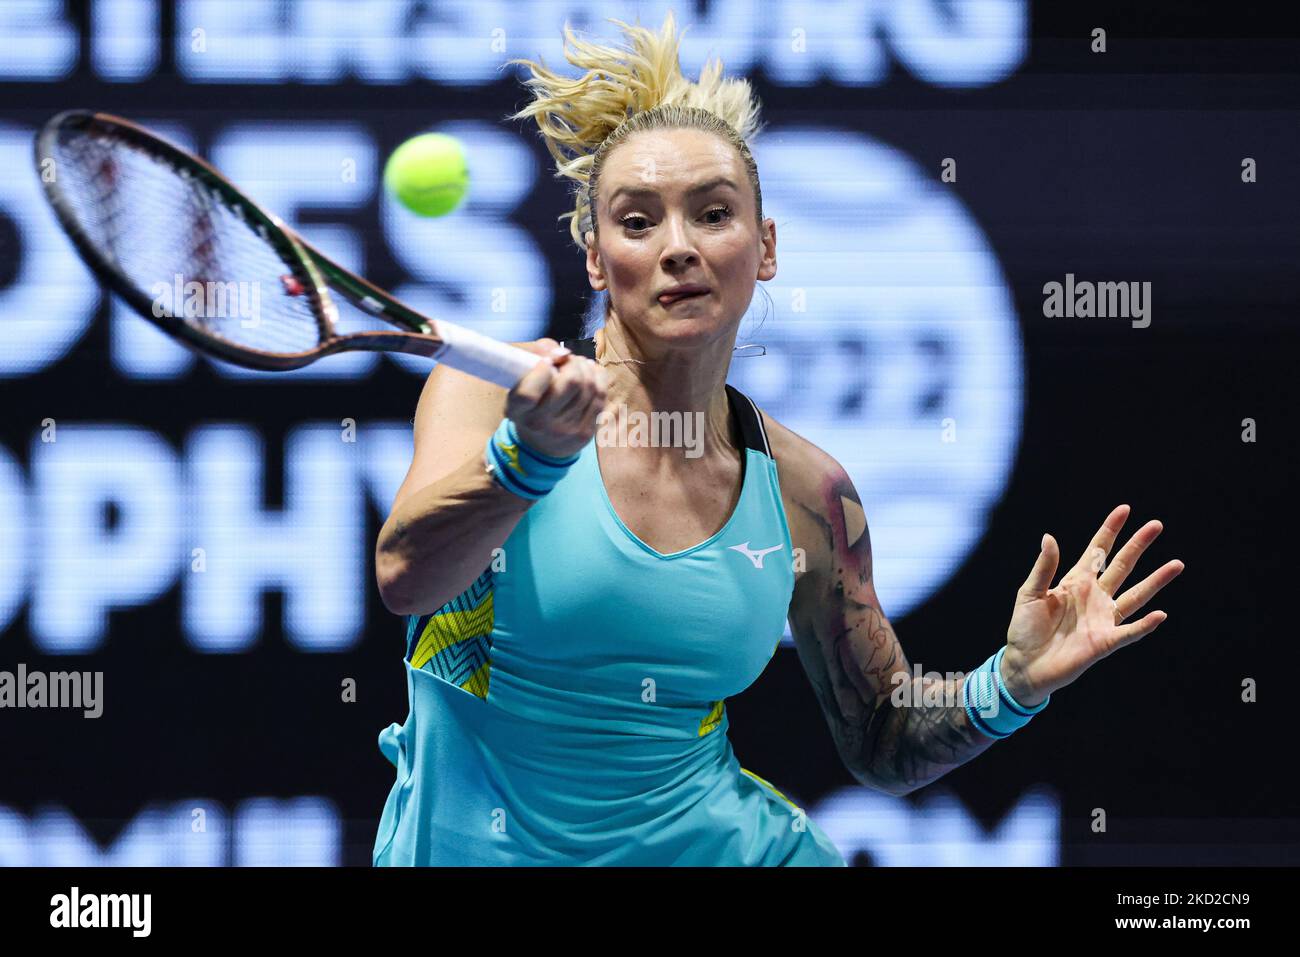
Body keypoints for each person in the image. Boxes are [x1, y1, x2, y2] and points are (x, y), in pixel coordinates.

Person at [370, 12, 1184, 866]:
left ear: (763, 248)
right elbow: (405, 575)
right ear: (596, 259)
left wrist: (1006, 686)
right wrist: (526, 458)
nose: (678, 247)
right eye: (637, 221)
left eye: (712, 214)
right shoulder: (496, 393)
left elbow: (879, 730)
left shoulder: (804, 493)